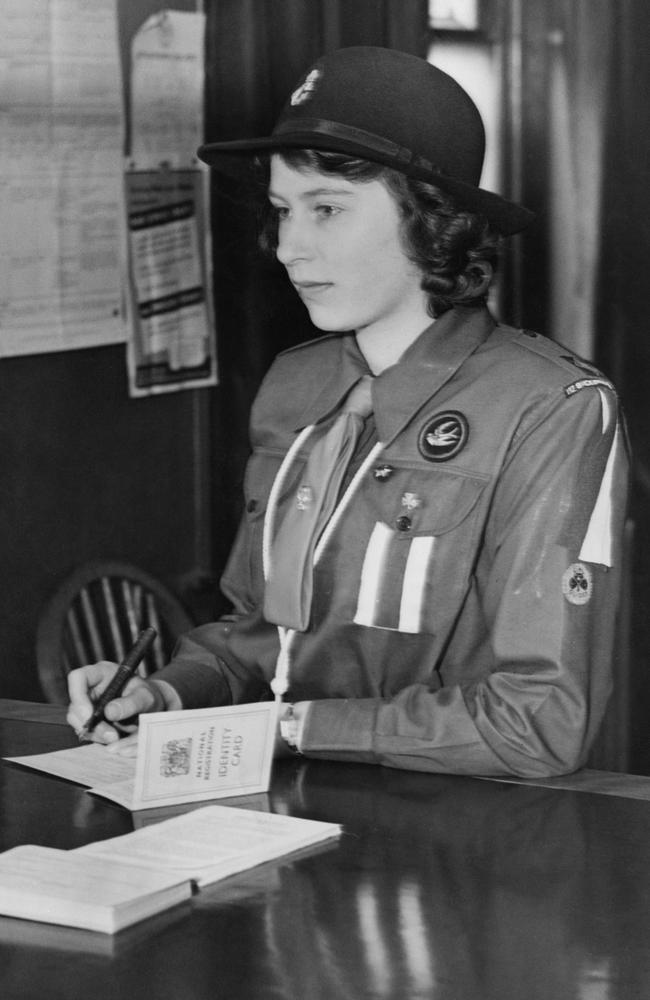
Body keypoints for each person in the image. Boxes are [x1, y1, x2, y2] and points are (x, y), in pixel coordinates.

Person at [67, 47, 629, 777]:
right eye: (281, 212)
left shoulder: (552, 409)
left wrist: (295, 728)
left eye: (326, 209)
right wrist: (168, 693)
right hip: (273, 809)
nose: (290, 248)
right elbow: (261, 637)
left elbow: (538, 724)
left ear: (433, 222)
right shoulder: (294, 387)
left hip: (459, 843)